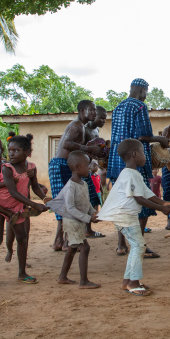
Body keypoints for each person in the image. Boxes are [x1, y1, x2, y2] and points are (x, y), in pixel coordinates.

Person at [98, 139, 170, 296]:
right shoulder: (130, 174)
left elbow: (148, 194)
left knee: (137, 246)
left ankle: (127, 281)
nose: (146, 156)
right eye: (144, 153)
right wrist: (161, 209)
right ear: (135, 154)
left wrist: (164, 202)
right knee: (139, 246)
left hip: (126, 216)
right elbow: (140, 199)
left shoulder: (133, 174)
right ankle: (133, 282)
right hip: (124, 216)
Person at [107, 78, 169, 257]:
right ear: (142, 90)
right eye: (146, 92)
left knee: (122, 201)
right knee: (142, 201)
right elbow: (143, 136)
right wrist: (160, 140)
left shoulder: (118, 107)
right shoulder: (139, 107)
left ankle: (120, 245)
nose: (145, 96)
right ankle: (139, 244)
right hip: (134, 161)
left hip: (118, 161)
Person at [0, 134, 49, 287]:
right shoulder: (7, 168)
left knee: (23, 238)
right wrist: (34, 204)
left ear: (26, 153)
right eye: (10, 150)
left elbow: (35, 186)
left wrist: (45, 199)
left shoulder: (31, 167)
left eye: (16, 150)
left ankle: (22, 272)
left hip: (18, 207)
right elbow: (13, 192)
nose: (11, 154)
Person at [49, 100, 104, 251]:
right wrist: (87, 147)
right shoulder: (76, 125)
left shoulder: (83, 127)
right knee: (65, 204)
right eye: (91, 110)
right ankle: (64, 241)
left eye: (94, 110)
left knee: (68, 202)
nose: (94, 113)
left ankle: (61, 241)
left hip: (65, 165)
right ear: (81, 111)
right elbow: (67, 144)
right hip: (60, 164)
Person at [47, 151, 101, 289]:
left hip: (78, 221)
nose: (89, 167)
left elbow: (86, 202)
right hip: (72, 221)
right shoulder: (70, 186)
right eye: (86, 165)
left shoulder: (83, 183)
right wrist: (88, 218)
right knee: (85, 248)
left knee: (72, 248)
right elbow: (70, 208)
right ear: (76, 167)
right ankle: (83, 281)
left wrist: (93, 212)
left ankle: (62, 277)